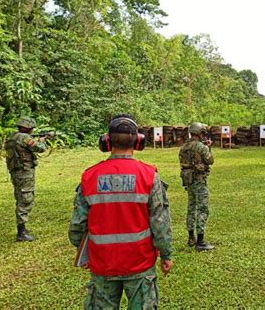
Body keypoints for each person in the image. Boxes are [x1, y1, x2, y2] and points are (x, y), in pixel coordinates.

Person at [68, 114, 173, 308]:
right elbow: (160, 222)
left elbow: (77, 225)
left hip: (102, 263)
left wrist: (83, 252)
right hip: (139, 263)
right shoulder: (149, 176)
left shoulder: (89, 176)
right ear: (138, 142)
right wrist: (166, 255)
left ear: (106, 141)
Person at [5, 117, 47, 242]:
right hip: (24, 172)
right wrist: (42, 141)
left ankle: (22, 229)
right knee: (26, 199)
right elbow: (40, 148)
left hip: (16, 172)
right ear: (27, 128)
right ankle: (21, 232)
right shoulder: (24, 138)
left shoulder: (12, 137)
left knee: (20, 198)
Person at [179, 122, 215, 251]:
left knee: (191, 207)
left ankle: (191, 237)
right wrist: (209, 148)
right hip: (199, 181)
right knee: (202, 209)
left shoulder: (184, 147)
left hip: (188, 181)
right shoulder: (201, 147)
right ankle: (200, 241)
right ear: (200, 133)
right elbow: (210, 160)